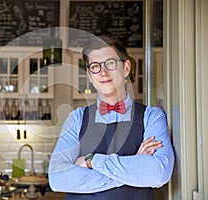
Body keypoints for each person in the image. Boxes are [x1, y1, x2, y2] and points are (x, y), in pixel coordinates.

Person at [48, 34, 174, 200]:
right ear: (89, 75)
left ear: (126, 67)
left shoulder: (152, 116)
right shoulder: (76, 119)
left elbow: (159, 173)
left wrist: (92, 161)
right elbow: (57, 179)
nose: (103, 72)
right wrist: (134, 166)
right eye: (95, 66)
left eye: (111, 63)